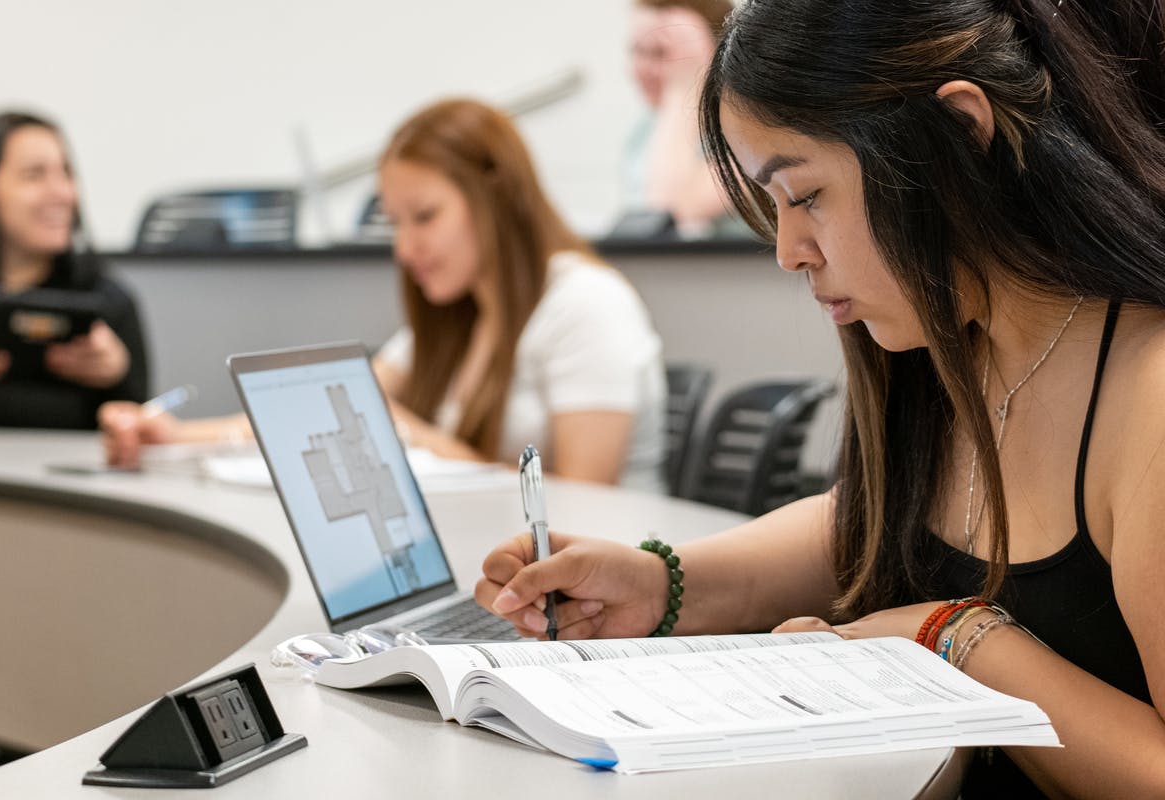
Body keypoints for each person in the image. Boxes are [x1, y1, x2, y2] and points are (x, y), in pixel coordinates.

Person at [477, 1, 1165, 796]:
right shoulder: (952, 337)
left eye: (803, 195)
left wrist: (952, 636)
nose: (786, 250)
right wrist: (662, 586)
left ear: (959, 136)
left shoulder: (1146, 390)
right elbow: (876, 521)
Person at [103, 99, 667, 491]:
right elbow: (323, 410)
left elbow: (582, 502)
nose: (406, 248)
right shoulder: (460, 316)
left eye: (424, 217)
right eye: (395, 223)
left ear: (498, 196)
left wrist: (419, 440)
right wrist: (175, 437)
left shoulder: (587, 303)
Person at [0, 111, 148, 428]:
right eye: (34, 175)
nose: (62, 193)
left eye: (65, 173)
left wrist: (118, 375)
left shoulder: (106, 301)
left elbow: (140, 426)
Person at [620, 0, 740, 238]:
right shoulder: (645, 129)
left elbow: (665, 216)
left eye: (660, 52)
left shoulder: (748, 132)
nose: (642, 68)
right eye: (637, 50)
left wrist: (684, 88)